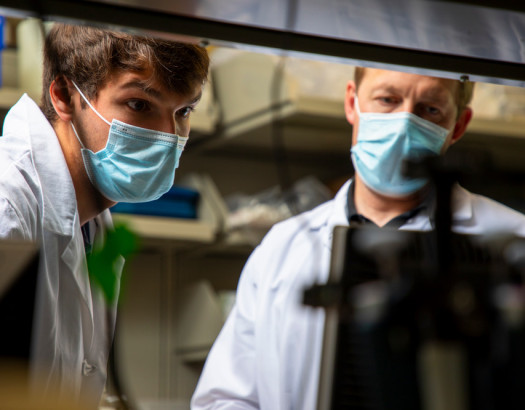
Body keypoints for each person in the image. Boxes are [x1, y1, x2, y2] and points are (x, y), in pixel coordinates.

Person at [191, 67, 525, 409]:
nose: (404, 122)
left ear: (458, 126)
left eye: (430, 109)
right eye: (387, 99)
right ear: (352, 102)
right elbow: (225, 398)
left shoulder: (515, 240)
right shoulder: (282, 246)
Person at [0, 22, 209, 408]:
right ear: (64, 96)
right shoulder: (7, 205)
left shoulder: (91, 219)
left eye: (183, 111)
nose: (168, 135)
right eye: (139, 104)